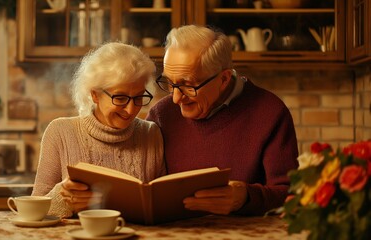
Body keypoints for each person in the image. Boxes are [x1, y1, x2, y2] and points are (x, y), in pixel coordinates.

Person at [146, 25, 299, 216]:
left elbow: (290, 196)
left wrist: (246, 198)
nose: (176, 98)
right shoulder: (162, 114)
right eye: (170, 83)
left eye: (188, 85)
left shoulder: (270, 112)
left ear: (224, 79)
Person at [32, 42, 166, 218]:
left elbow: (161, 207)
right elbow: (35, 211)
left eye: (139, 97)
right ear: (94, 94)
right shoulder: (60, 132)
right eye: (120, 98)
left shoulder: (151, 134)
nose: (131, 109)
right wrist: (63, 197)